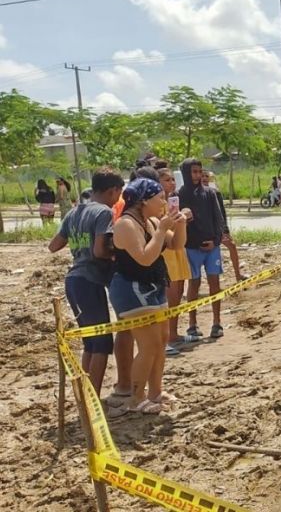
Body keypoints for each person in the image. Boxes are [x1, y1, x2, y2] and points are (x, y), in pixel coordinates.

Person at [109, 178, 187, 414]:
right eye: (159, 197)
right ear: (144, 200)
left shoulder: (152, 221)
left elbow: (176, 245)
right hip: (131, 289)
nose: (163, 201)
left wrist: (180, 224)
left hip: (153, 286)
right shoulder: (125, 224)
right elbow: (144, 258)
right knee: (149, 344)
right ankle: (136, 396)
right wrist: (162, 229)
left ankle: (155, 391)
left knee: (161, 341)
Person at [48, 168, 124, 399]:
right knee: (101, 343)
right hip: (89, 281)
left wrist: (78, 242)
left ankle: (85, 395)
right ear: (113, 191)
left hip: (74, 281)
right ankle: (93, 399)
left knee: (90, 341)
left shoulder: (74, 212)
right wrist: (116, 253)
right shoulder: (103, 212)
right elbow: (99, 250)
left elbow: (54, 245)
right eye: (119, 194)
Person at [178, 158, 226, 340]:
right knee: (194, 284)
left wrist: (215, 241)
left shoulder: (210, 193)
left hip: (212, 247)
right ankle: (192, 324)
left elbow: (218, 219)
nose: (197, 175)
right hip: (191, 248)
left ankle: (217, 322)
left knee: (215, 283)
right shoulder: (179, 195)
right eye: (193, 172)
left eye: (199, 171)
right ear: (186, 173)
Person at [157, 168, 197, 351]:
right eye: (167, 180)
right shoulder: (155, 205)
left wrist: (184, 216)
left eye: (173, 179)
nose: (171, 183)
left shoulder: (172, 202)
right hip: (166, 253)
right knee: (168, 296)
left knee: (177, 294)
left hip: (178, 251)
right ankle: (164, 338)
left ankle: (173, 333)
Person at [201, 170, 244, 281]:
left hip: (216, 229)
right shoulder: (193, 194)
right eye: (202, 176)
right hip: (202, 231)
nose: (204, 178)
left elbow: (222, 213)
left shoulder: (215, 192)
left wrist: (225, 230)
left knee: (232, 246)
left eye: (206, 176)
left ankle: (238, 275)